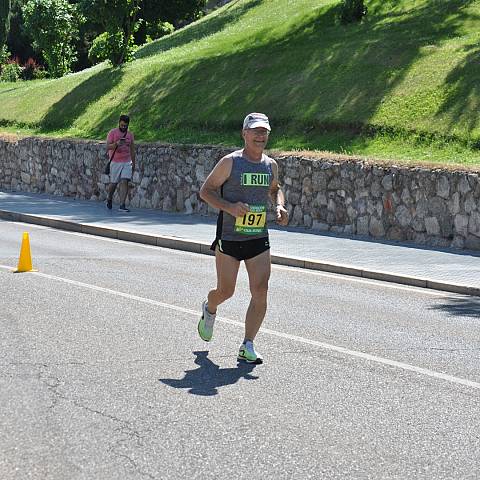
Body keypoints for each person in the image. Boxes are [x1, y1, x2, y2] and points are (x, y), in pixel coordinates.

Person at [198, 112, 289, 364]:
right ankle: (209, 307)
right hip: (230, 236)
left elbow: (275, 189)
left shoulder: (270, 165)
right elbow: (206, 191)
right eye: (256, 131)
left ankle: (247, 344)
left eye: (265, 131)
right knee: (225, 291)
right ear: (244, 134)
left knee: (261, 289)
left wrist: (279, 206)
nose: (261, 136)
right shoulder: (230, 162)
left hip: (258, 237)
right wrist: (229, 207)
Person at [106, 114, 135, 212]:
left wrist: (133, 163)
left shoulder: (130, 135)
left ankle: (122, 205)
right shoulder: (112, 133)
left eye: (125, 126)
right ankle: (109, 197)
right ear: (119, 123)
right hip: (115, 161)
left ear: (128, 125)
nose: (123, 127)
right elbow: (107, 147)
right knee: (113, 183)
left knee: (124, 181)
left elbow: (132, 150)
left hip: (127, 161)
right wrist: (116, 144)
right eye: (122, 125)